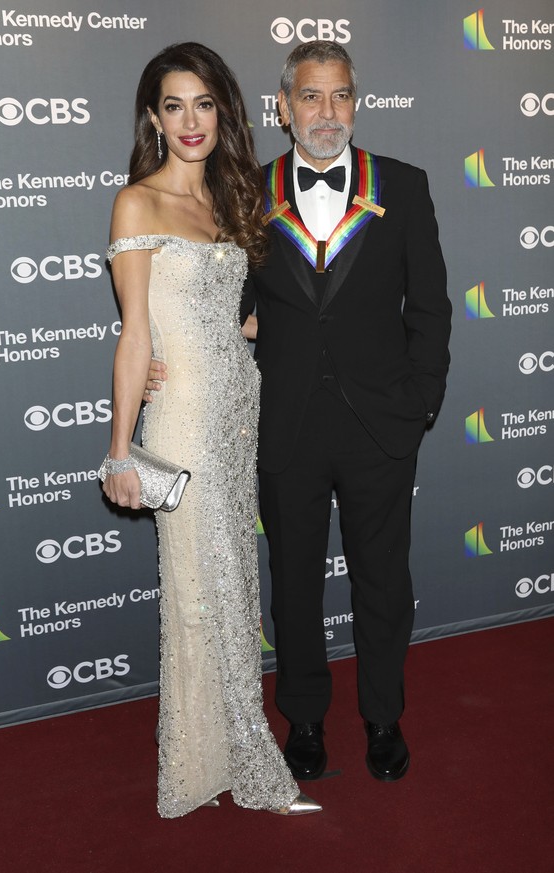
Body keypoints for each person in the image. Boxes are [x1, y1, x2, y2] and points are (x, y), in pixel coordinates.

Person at [147, 40, 451, 786]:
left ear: (357, 102)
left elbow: (432, 309)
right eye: (311, 97)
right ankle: (305, 718)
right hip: (283, 424)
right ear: (283, 108)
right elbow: (223, 303)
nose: (327, 112)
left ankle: (383, 715)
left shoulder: (403, 187)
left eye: (340, 95)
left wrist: (420, 404)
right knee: (295, 586)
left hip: (382, 425)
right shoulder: (248, 191)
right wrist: (164, 354)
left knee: (384, 580)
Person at [101, 42, 320, 818]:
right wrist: (120, 448)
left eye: (202, 103)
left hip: (239, 414)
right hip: (187, 419)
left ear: (223, 109)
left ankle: (212, 754)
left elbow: (236, 313)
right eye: (172, 105)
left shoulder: (230, 200)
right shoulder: (139, 201)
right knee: (204, 589)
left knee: (227, 587)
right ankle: (235, 763)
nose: (189, 120)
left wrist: (261, 329)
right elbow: (135, 336)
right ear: (153, 119)